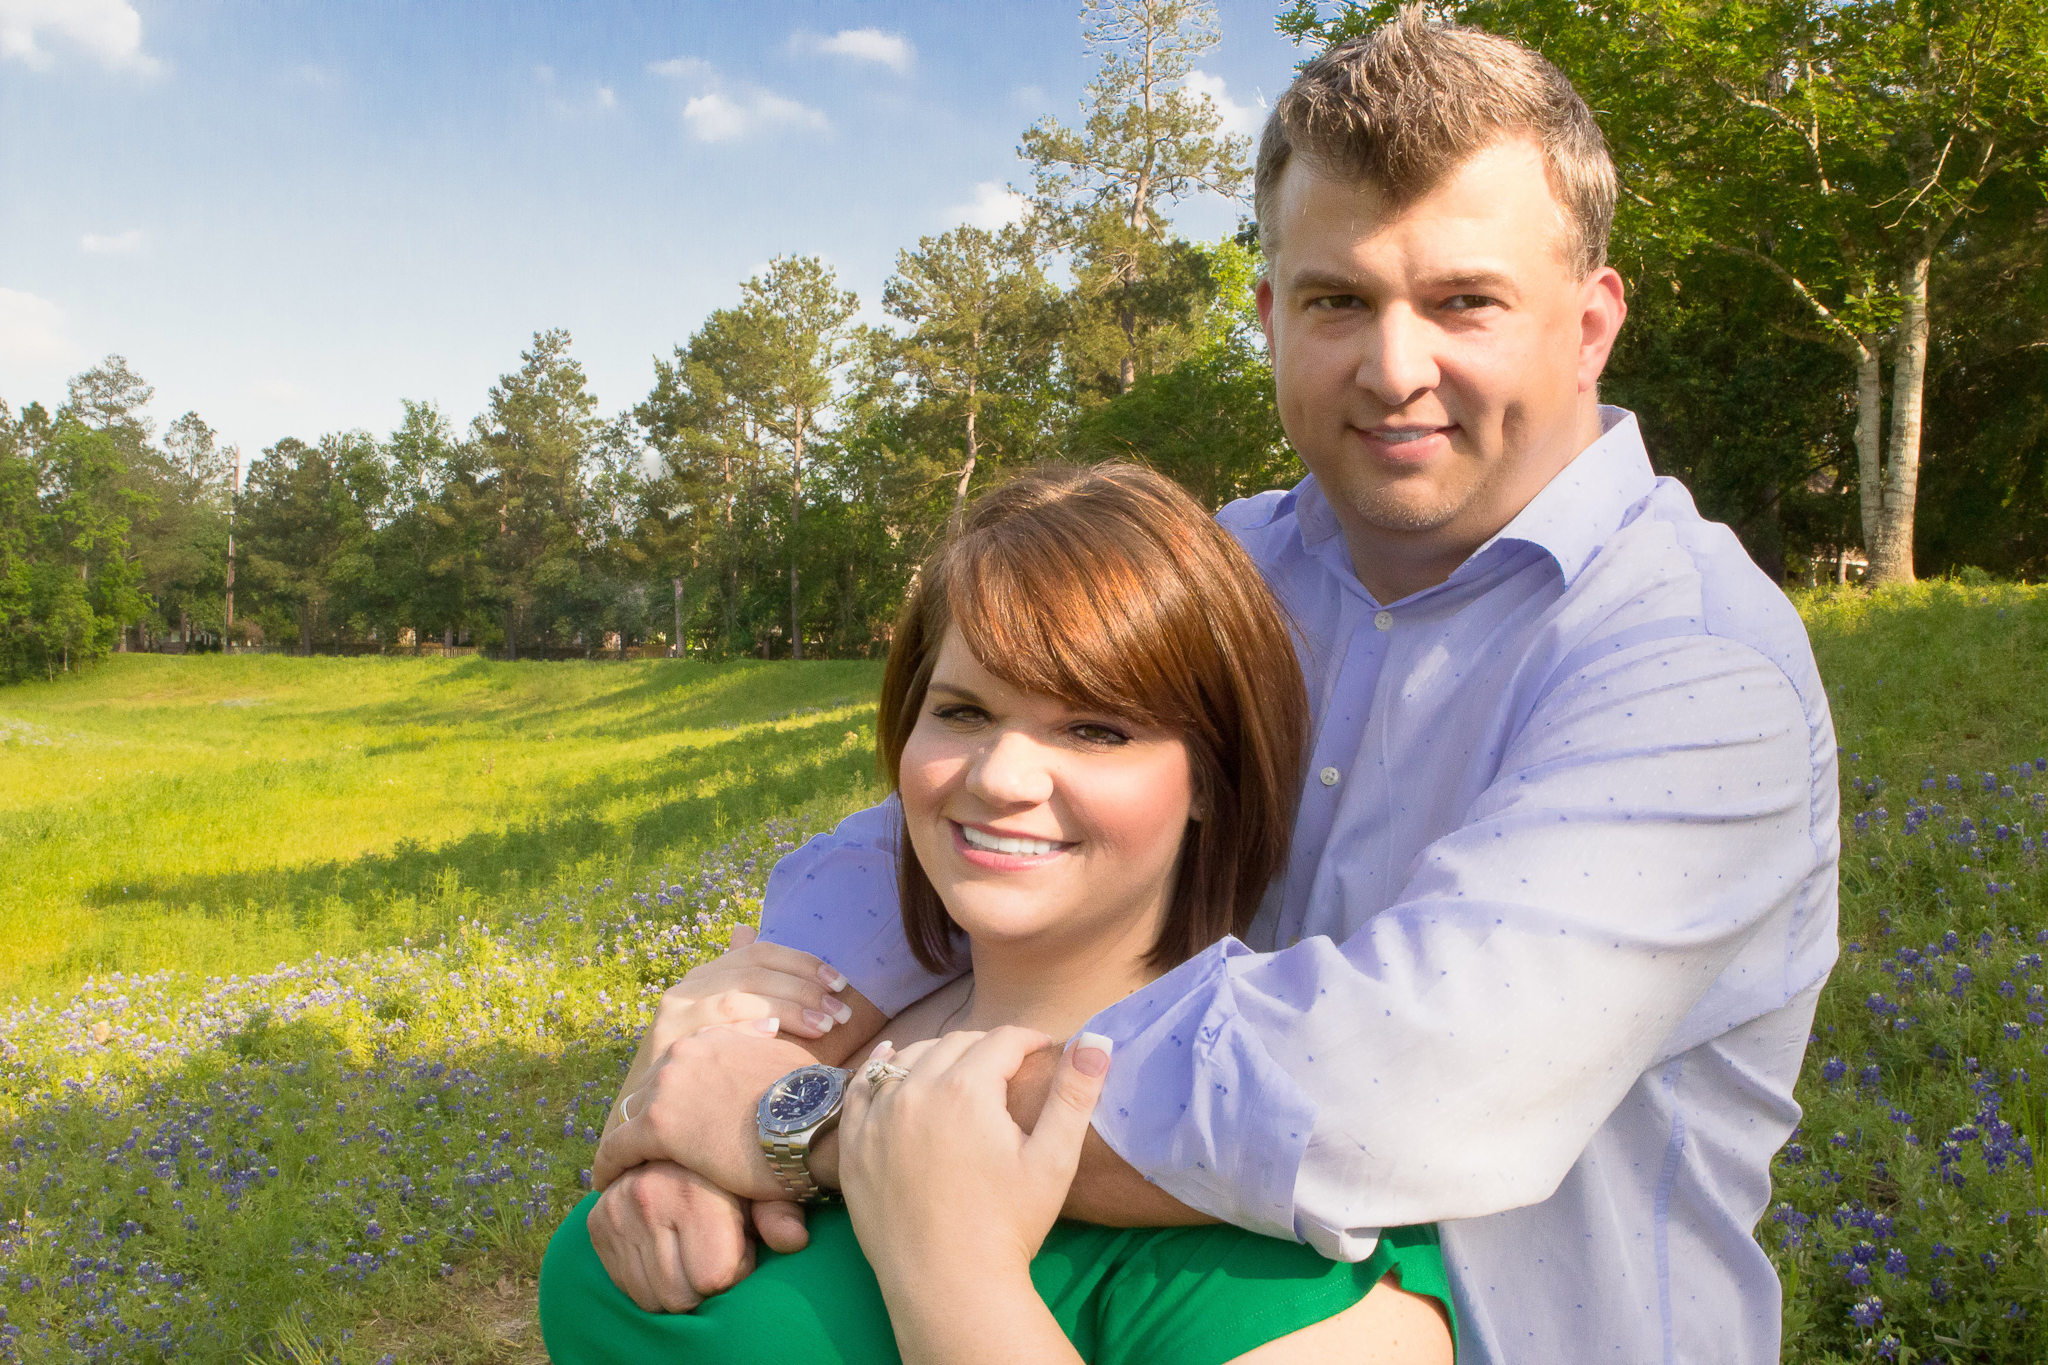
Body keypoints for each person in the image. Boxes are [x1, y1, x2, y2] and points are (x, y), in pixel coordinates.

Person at [579, 10, 1839, 1363]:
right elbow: (956, 834)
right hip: (1126, 1309)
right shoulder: (1230, 561)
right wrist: (726, 1049)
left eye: (1464, 301)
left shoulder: (1695, 671)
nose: (1394, 366)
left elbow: (1378, 1085)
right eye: (1338, 300)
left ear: (1590, 324)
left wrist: (805, 1121)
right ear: (1269, 316)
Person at [540, 464, 1457, 1363]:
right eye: (965, 712)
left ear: (1210, 781)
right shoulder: (802, 1038)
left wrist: (951, 1269)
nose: (999, 777)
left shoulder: (1263, 1209)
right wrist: (666, 1131)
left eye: (1097, 728)